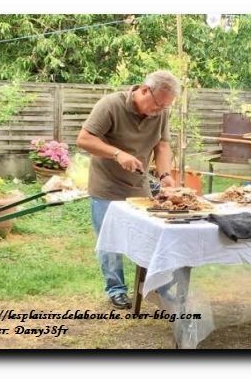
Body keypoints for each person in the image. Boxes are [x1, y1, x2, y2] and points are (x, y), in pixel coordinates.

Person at [76, 70, 180, 309]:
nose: (159, 110)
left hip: (139, 187)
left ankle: (156, 287)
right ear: (144, 90)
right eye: (157, 104)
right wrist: (117, 153)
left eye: (165, 107)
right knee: (110, 242)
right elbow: (84, 139)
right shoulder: (111, 105)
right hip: (106, 186)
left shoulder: (160, 113)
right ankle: (116, 289)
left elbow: (162, 146)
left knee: (149, 238)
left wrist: (165, 176)